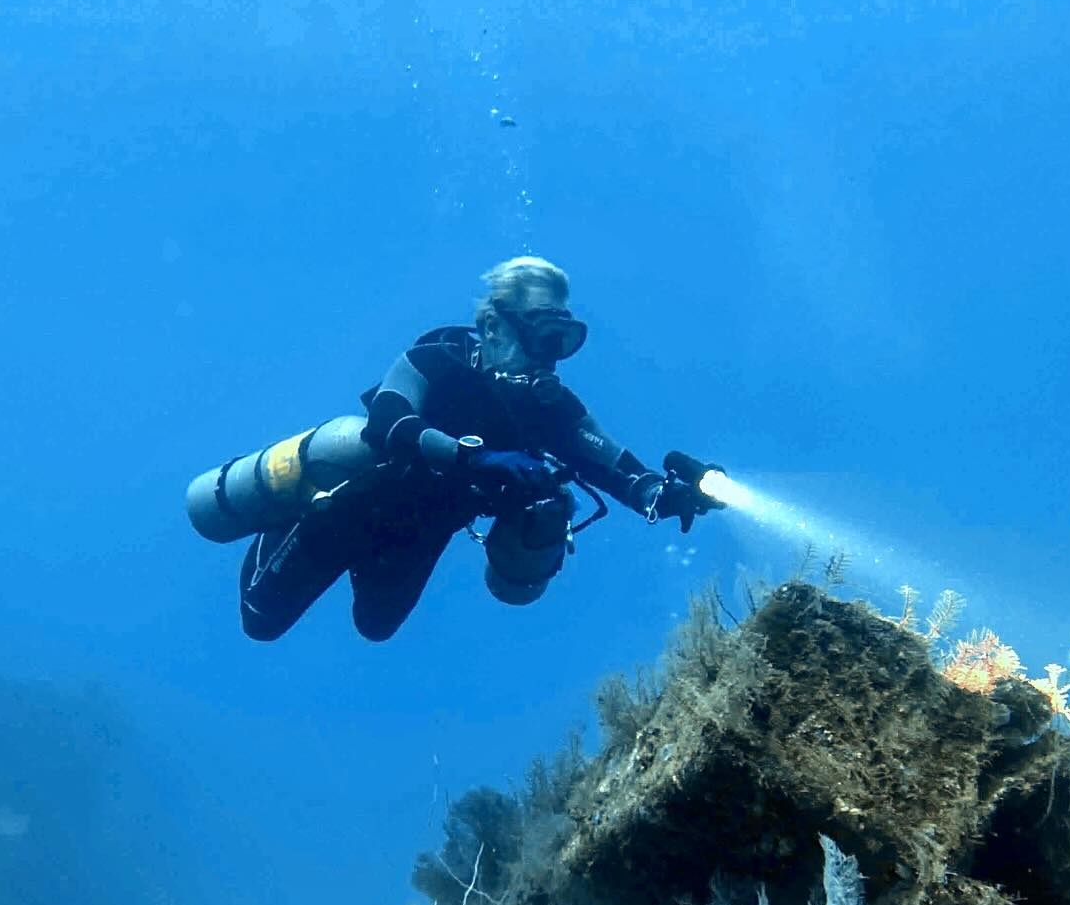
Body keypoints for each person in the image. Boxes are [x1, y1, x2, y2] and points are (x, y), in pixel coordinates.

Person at [194, 257, 722, 642]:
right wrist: (470, 456)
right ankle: (282, 514)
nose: (551, 358)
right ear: (492, 326)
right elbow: (389, 419)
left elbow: (614, 466)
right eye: (541, 334)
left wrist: (669, 494)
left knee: (375, 627)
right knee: (259, 623)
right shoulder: (436, 361)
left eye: (564, 339)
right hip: (346, 507)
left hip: (421, 530)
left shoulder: (550, 407)